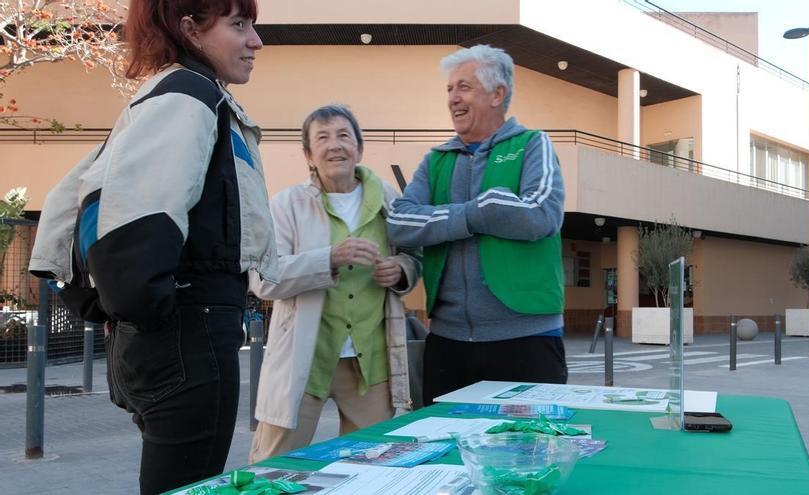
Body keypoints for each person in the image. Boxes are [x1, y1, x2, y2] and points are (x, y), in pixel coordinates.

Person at [28, 1, 277, 493]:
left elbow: (69, 198)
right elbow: (137, 216)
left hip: (174, 331)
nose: (256, 41)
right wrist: (145, 311)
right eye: (238, 25)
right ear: (191, 29)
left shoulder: (169, 95)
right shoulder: (189, 94)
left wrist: (112, 310)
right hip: (188, 332)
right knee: (188, 485)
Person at [387, 44, 568, 404]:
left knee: (528, 440)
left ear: (497, 94)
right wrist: (475, 214)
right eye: (449, 89)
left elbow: (541, 215)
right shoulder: (436, 160)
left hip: (528, 340)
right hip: (447, 342)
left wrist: (446, 218)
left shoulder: (533, 145)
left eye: (464, 87)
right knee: (443, 439)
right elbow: (399, 221)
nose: (453, 98)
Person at [248, 105, 420, 463]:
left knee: (373, 467)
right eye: (322, 138)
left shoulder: (390, 201)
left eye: (343, 135)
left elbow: (414, 257)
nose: (335, 145)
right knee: (273, 466)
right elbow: (263, 280)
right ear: (308, 156)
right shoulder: (287, 205)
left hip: (371, 365)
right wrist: (328, 259)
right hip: (303, 361)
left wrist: (401, 270)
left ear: (359, 148)